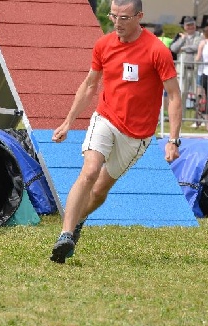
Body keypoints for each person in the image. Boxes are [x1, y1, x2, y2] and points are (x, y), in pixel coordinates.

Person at [49, 0, 182, 263]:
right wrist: (68, 121)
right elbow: (89, 86)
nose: (117, 23)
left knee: (99, 191)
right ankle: (65, 235)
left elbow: (175, 96)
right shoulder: (104, 45)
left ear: (139, 16)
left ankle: (77, 222)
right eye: (113, 16)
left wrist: (173, 140)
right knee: (88, 172)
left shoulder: (157, 50)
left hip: (137, 135)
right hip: (106, 118)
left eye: (124, 17)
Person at [170, 16, 203, 110]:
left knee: (198, 94)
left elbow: (196, 47)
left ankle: (197, 119)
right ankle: (181, 117)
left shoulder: (199, 36)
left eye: (192, 25)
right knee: (182, 93)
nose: (190, 27)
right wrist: (183, 40)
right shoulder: (181, 36)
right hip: (183, 70)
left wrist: (183, 48)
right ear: (184, 27)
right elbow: (173, 48)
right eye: (188, 25)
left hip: (195, 69)